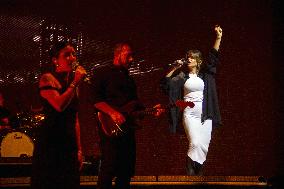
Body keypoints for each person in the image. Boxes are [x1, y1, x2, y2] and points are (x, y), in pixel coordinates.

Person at [90, 43, 164, 189]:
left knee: (126, 170)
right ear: (118, 54)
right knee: (109, 166)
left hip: (127, 129)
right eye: (128, 55)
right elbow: (95, 100)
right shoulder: (102, 73)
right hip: (109, 127)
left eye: (132, 56)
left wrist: (151, 110)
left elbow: (135, 106)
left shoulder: (129, 80)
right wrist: (113, 113)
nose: (131, 59)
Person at [161, 25, 223, 175]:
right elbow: (166, 84)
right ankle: (189, 172)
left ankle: (197, 175)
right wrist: (173, 68)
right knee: (194, 142)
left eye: (191, 57)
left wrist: (218, 38)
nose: (188, 58)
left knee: (203, 145)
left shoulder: (205, 75)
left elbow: (213, 57)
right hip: (190, 114)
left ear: (198, 61)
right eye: (187, 56)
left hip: (206, 114)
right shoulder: (182, 76)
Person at [31, 41, 87, 189]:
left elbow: (75, 118)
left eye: (73, 54)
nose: (72, 58)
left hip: (69, 142)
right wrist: (74, 83)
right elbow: (59, 105)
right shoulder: (47, 78)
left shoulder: (73, 84)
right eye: (67, 55)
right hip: (51, 141)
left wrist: (79, 149)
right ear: (55, 60)